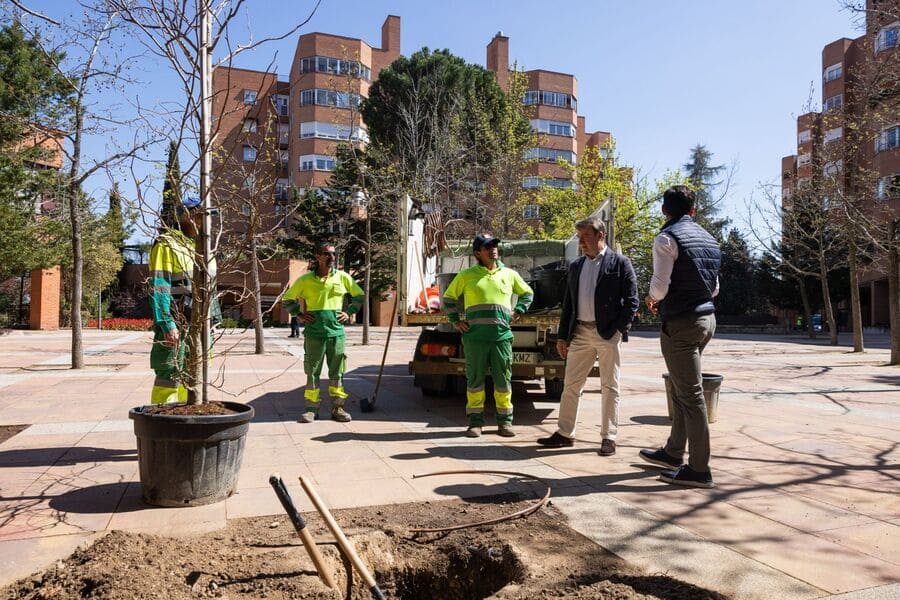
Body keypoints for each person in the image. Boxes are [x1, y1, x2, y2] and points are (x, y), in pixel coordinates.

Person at [640, 185, 721, 488]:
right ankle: (673, 453)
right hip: (706, 320)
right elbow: (714, 289)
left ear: (664, 210)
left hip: (682, 323)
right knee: (680, 386)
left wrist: (652, 298)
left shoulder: (666, 238)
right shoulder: (710, 240)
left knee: (690, 395)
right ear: (693, 210)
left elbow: (660, 286)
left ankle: (699, 469)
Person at [536, 216, 638, 456]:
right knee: (571, 385)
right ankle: (564, 433)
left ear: (600, 236)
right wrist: (563, 337)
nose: (581, 242)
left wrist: (618, 330)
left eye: (585, 237)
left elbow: (632, 301)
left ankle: (609, 437)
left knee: (610, 386)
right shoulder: (576, 266)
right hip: (579, 332)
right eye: (579, 237)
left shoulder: (620, 263)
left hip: (607, 334)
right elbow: (568, 303)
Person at [442, 234, 534, 437]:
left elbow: (528, 293)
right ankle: (475, 423)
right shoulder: (467, 275)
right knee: (475, 382)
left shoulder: (509, 274)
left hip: (501, 338)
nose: (493, 249)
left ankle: (505, 423)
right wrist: (455, 320)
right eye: (487, 247)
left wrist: (519, 309)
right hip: (475, 339)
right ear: (478, 253)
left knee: (503, 382)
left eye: (494, 246)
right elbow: (448, 297)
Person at [283, 243, 365, 423]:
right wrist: (300, 314)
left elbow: (359, 296)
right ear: (318, 256)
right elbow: (287, 299)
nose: (332, 258)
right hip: (314, 334)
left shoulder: (343, 278)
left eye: (334, 254)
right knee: (312, 372)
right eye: (327, 254)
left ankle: (338, 408)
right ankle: (312, 409)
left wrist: (349, 312)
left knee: (338, 373)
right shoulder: (305, 280)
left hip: (336, 334)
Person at [148, 196, 219, 404]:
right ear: (188, 217)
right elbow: (159, 287)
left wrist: (211, 325)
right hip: (178, 325)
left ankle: (186, 414)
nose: (208, 222)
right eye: (203, 216)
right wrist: (167, 323)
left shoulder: (205, 249)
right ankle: (162, 421)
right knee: (169, 376)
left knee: (194, 376)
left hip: (201, 327)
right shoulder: (167, 245)